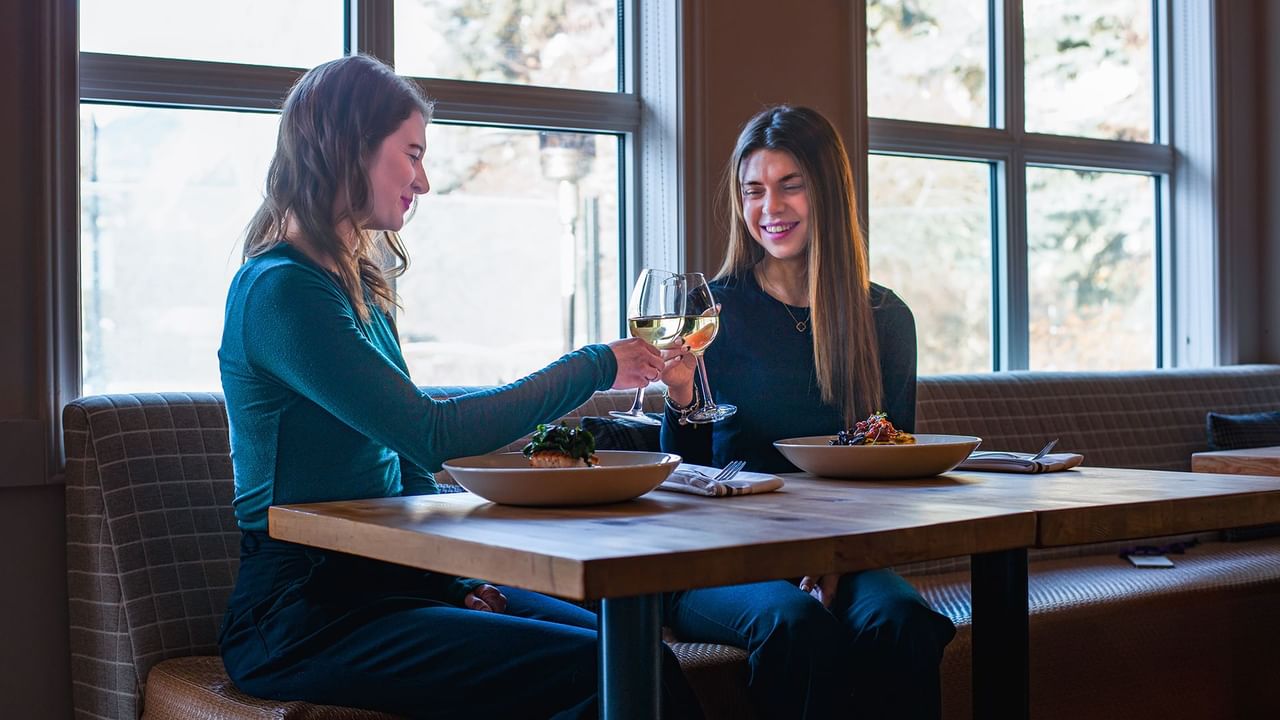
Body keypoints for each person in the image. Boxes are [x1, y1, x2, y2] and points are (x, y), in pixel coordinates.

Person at [216, 54, 699, 719]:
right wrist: (592, 366)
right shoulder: (280, 292)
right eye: (411, 154)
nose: (424, 180)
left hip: (391, 580)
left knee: (637, 655)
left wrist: (457, 576)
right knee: (604, 671)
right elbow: (430, 433)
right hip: (305, 612)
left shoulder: (355, 290)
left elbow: (404, 461)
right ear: (349, 147)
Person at [658, 105, 956, 719]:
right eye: (754, 190)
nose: (771, 208)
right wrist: (681, 396)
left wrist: (832, 560)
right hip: (718, 556)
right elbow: (681, 473)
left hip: (846, 550)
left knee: (902, 620)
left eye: (790, 185)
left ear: (826, 191)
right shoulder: (709, 309)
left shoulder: (885, 319)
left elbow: (892, 467)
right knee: (795, 623)